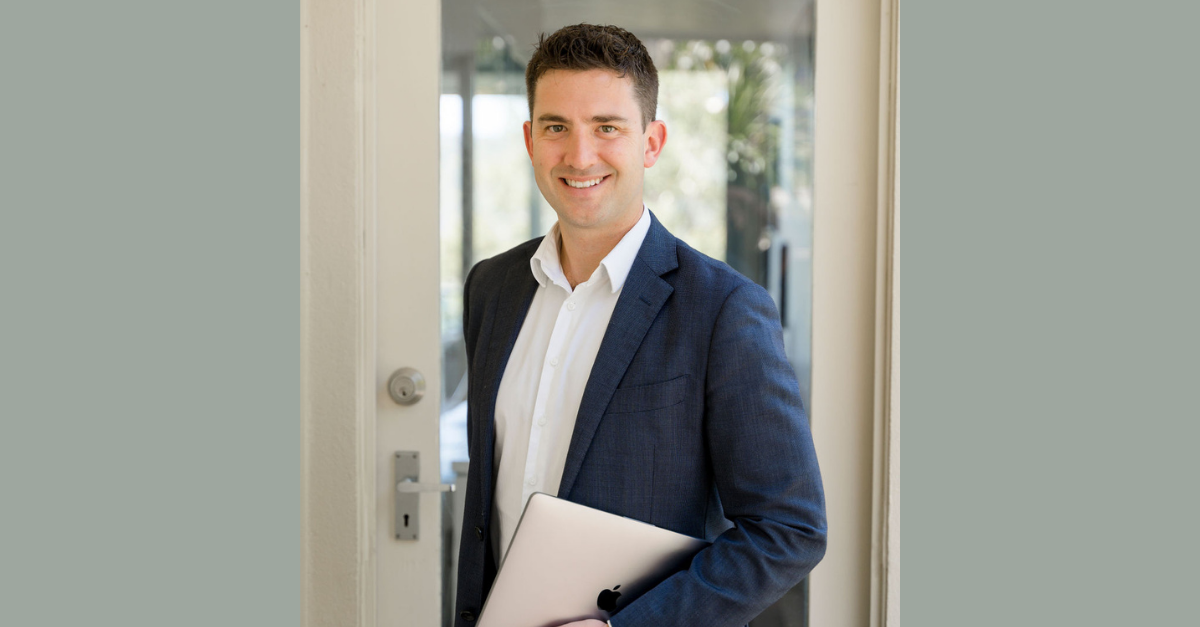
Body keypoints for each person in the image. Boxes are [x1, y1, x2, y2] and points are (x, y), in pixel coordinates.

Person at [453, 23, 826, 627]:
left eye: (607, 127)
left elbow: (789, 529)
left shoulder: (724, 309)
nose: (579, 156)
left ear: (651, 143)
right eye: (556, 127)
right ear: (529, 139)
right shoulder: (491, 288)